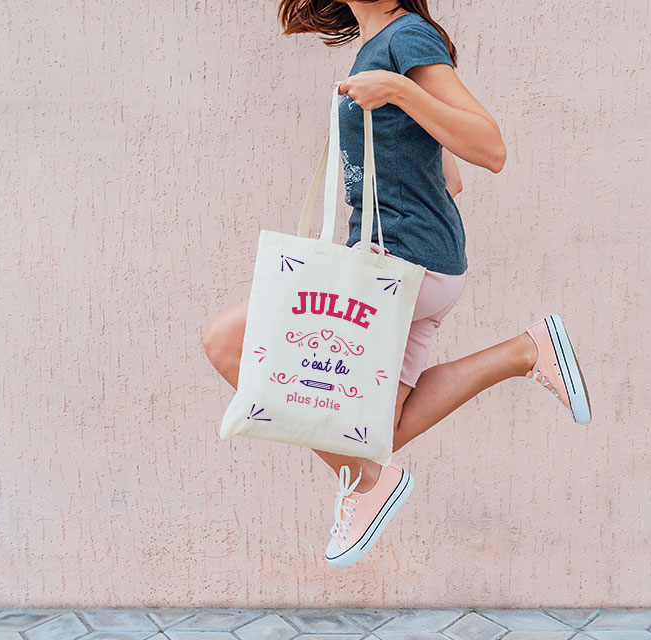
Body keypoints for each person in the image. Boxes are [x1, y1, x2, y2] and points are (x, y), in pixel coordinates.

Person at [203, 0, 592, 569]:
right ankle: (525, 351)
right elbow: (447, 175)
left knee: (225, 340)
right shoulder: (377, 44)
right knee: (378, 429)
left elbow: (491, 148)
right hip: (420, 261)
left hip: (403, 266)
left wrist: (401, 92)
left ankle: (367, 485)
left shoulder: (406, 39)